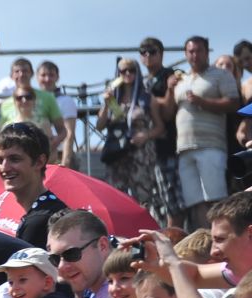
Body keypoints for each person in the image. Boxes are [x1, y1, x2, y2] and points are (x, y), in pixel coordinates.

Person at [170, 35, 239, 229]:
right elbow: (169, 111)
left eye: (199, 50)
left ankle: (222, 245)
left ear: (207, 52)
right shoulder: (181, 80)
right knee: (196, 203)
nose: (195, 55)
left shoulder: (221, 75)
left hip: (211, 146)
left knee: (215, 200)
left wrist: (203, 102)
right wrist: (169, 90)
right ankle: (205, 248)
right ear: (186, 54)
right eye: (191, 51)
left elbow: (234, 103)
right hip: (184, 149)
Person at [101, 59, 170, 224]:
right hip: (117, 154)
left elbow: (160, 127)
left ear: (137, 72)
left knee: (143, 197)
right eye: (123, 71)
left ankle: (143, 234)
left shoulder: (146, 97)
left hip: (140, 154)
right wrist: (106, 104)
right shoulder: (113, 98)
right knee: (116, 196)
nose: (127, 74)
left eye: (131, 70)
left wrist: (145, 135)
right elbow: (100, 124)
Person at [0, 123, 68, 246]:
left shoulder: (38, 221)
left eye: (14, 159)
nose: (4, 167)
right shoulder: (49, 209)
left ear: (39, 162)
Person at [139, 38, 185, 227]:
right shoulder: (139, 83)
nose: (148, 55)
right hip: (144, 155)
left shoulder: (169, 75)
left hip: (166, 148)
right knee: (154, 204)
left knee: (172, 203)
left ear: (161, 53)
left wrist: (170, 90)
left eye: (152, 51)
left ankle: (175, 244)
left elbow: (167, 114)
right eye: (143, 52)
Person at [0, 58, 68, 157]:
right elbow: (0, 133)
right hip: (15, 158)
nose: (21, 74)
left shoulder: (47, 97)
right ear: (11, 76)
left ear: (32, 74)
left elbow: (62, 131)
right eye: (17, 71)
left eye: (25, 71)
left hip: (41, 157)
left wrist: (51, 144)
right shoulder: (5, 104)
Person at [36, 60, 79, 164]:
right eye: (43, 75)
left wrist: (65, 161)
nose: (47, 79)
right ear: (37, 77)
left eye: (51, 75)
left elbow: (69, 133)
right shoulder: (30, 100)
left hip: (59, 156)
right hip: (36, 156)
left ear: (57, 77)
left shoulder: (65, 101)